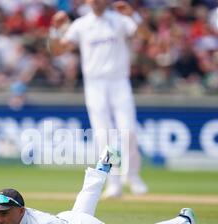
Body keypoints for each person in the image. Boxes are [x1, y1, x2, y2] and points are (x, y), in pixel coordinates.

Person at [0, 147, 202, 224]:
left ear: (21, 211)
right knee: (82, 205)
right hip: (68, 221)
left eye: (4, 213)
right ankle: (104, 164)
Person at [47, 0, 150, 198]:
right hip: (94, 85)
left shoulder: (120, 19)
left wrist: (133, 15)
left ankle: (133, 176)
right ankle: (113, 182)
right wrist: (54, 29)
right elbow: (57, 50)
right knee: (104, 135)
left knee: (129, 131)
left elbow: (146, 36)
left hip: (119, 81)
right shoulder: (81, 24)